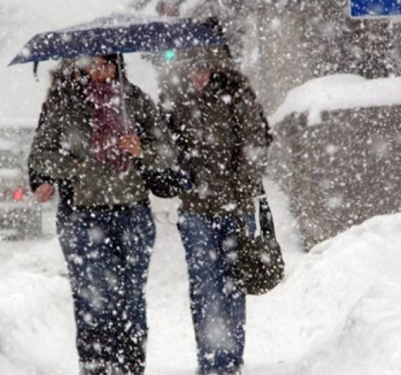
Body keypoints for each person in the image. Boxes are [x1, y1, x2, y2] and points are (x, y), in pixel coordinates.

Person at [28, 54, 177, 375]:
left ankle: (130, 368)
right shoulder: (69, 107)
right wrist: (76, 166)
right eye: (93, 65)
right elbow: (40, 156)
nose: (99, 71)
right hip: (85, 216)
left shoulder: (136, 102)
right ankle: (97, 368)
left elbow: (168, 153)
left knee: (131, 299)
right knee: (94, 300)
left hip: (133, 214)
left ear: (117, 66)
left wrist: (142, 151)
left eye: (106, 64)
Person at [161, 47, 270, 375]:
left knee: (233, 284)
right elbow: (165, 147)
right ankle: (211, 361)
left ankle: (230, 359)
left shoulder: (238, 97)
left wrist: (240, 189)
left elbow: (256, 144)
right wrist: (178, 170)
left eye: (203, 70)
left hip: (234, 207)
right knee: (205, 284)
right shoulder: (176, 100)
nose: (197, 77)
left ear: (217, 70)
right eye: (192, 70)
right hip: (194, 208)